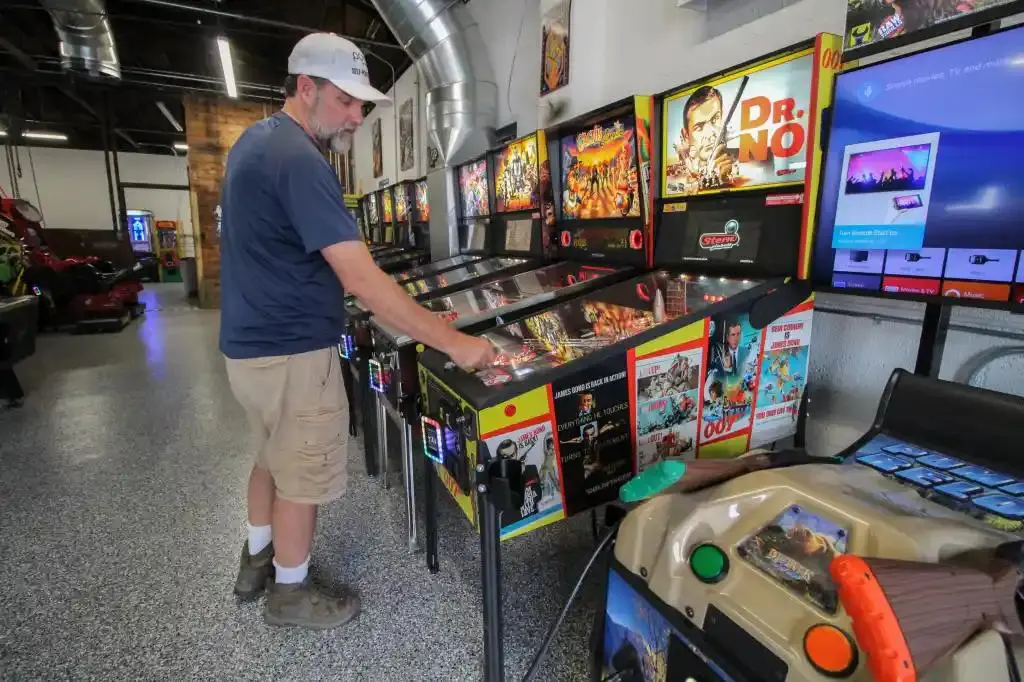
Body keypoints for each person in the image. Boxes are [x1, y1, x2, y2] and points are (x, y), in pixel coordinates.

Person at [219, 32, 495, 630]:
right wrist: (457, 342)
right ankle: (290, 593)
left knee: (269, 457)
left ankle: (257, 558)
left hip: (249, 352)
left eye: (362, 104)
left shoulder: (254, 142)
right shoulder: (299, 159)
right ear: (307, 88)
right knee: (303, 476)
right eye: (347, 101)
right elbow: (365, 283)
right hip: (291, 351)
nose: (357, 115)